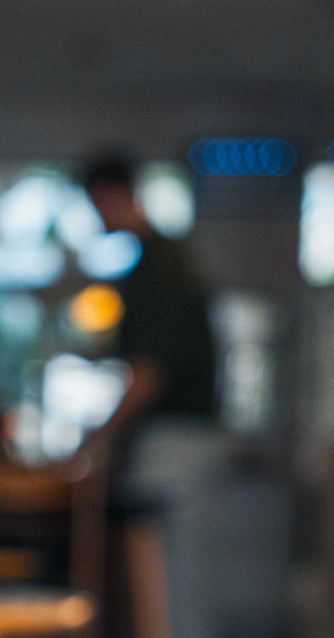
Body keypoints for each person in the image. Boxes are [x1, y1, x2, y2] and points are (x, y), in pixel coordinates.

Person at [75, 154, 219, 479]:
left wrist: (99, 437)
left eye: (96, 204)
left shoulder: (161, 266)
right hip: (176, 433)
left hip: (178, 436)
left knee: (157, 529)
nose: (97, 216)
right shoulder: (154, 261)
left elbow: (149, 372)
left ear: (112, 195)